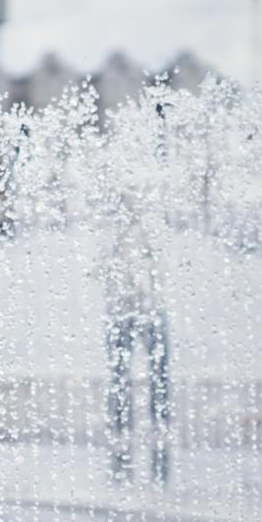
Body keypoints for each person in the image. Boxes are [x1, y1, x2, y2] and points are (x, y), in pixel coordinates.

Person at [102, 193, 172, 485]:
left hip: (150, 309)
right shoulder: (112, 236)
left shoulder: (152, 234)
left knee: (158, 372)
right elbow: (100, 269)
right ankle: (122, 425)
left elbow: (162, 270)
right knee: (121, 374)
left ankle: (159, 422)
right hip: (122, 311)